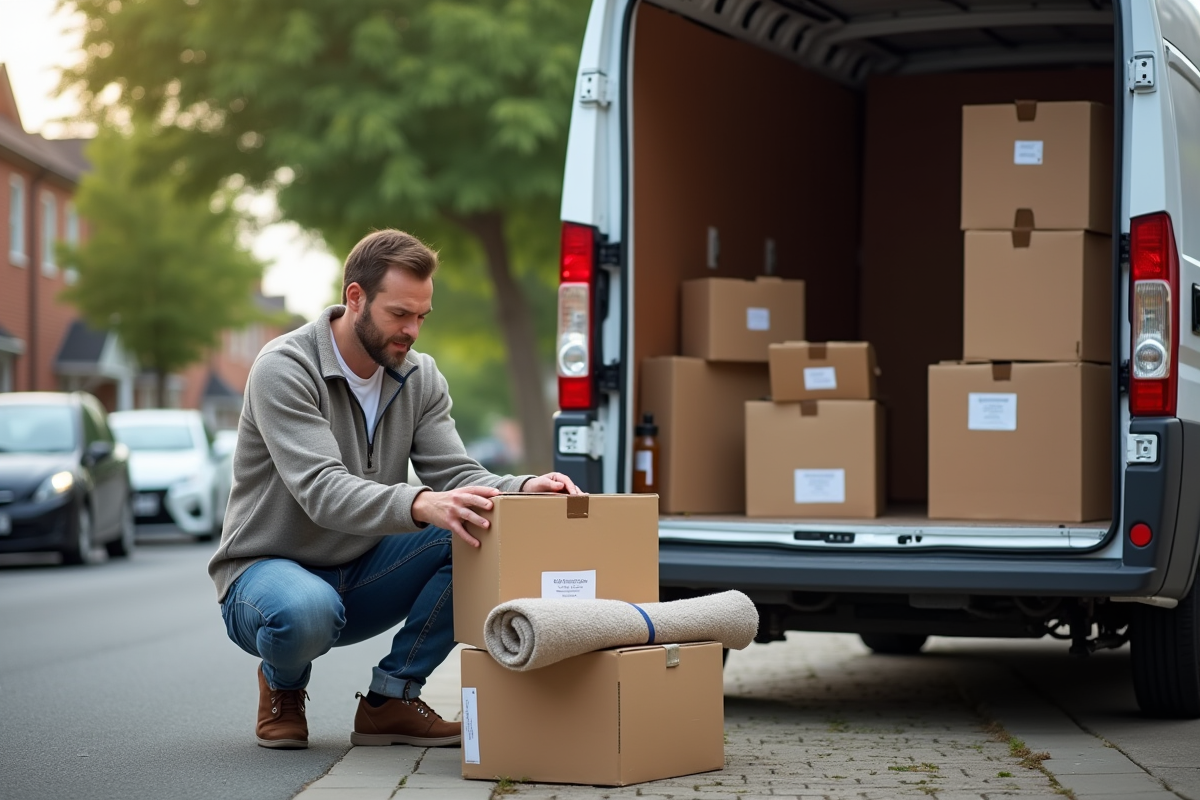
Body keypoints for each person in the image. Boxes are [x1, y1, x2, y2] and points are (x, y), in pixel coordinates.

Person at [207, 229, 580, 750]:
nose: (413, 331)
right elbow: (322, 489)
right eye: (400, 314)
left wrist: (524, 488)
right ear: (355, 297)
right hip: (267, 574)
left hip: (362, 572)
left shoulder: (419, 377)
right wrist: (420, 502)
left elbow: (455, 475)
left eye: (422, 316)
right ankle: (284, 684)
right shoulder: (284, 368)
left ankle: (392, 699)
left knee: (487, 525)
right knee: (305, 610)